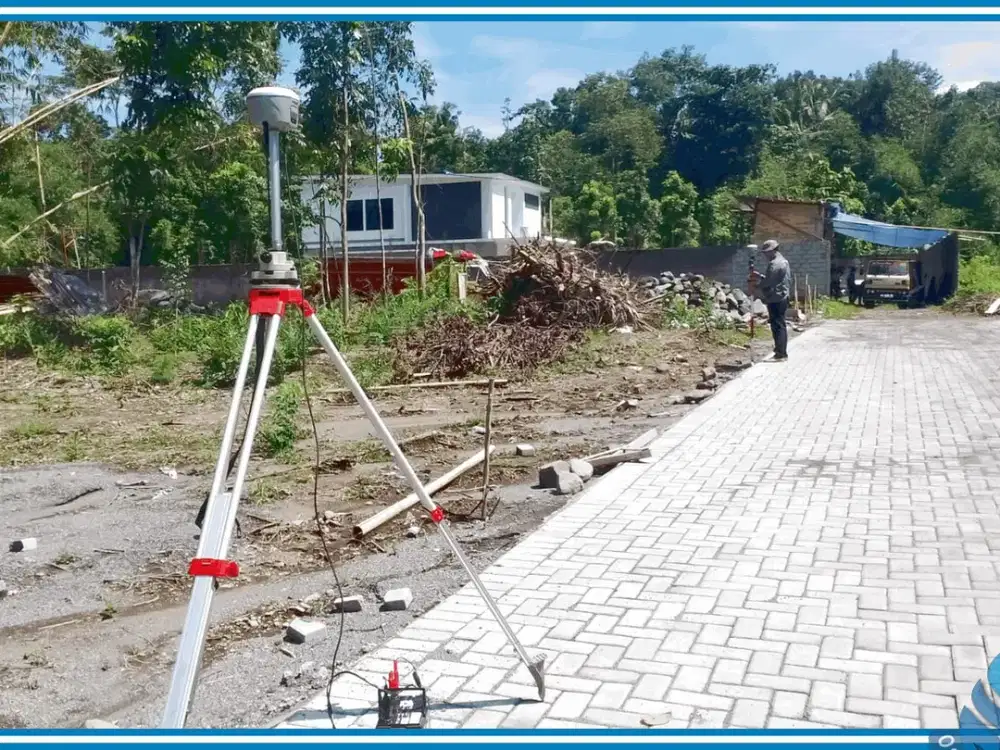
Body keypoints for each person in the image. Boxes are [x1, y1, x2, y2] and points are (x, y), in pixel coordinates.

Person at [749, 239, 790, 361]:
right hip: (782, 296)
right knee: (780, 324)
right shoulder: (783, 261)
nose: (765, 255)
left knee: (777, 326)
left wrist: (756, 285)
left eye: (766, 253)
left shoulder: (774, 264)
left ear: (773, 251)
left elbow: (769, 282)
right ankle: (780, 351)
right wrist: (760, 276)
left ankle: (781, 354)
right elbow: (775, 279)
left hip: (776, 298)